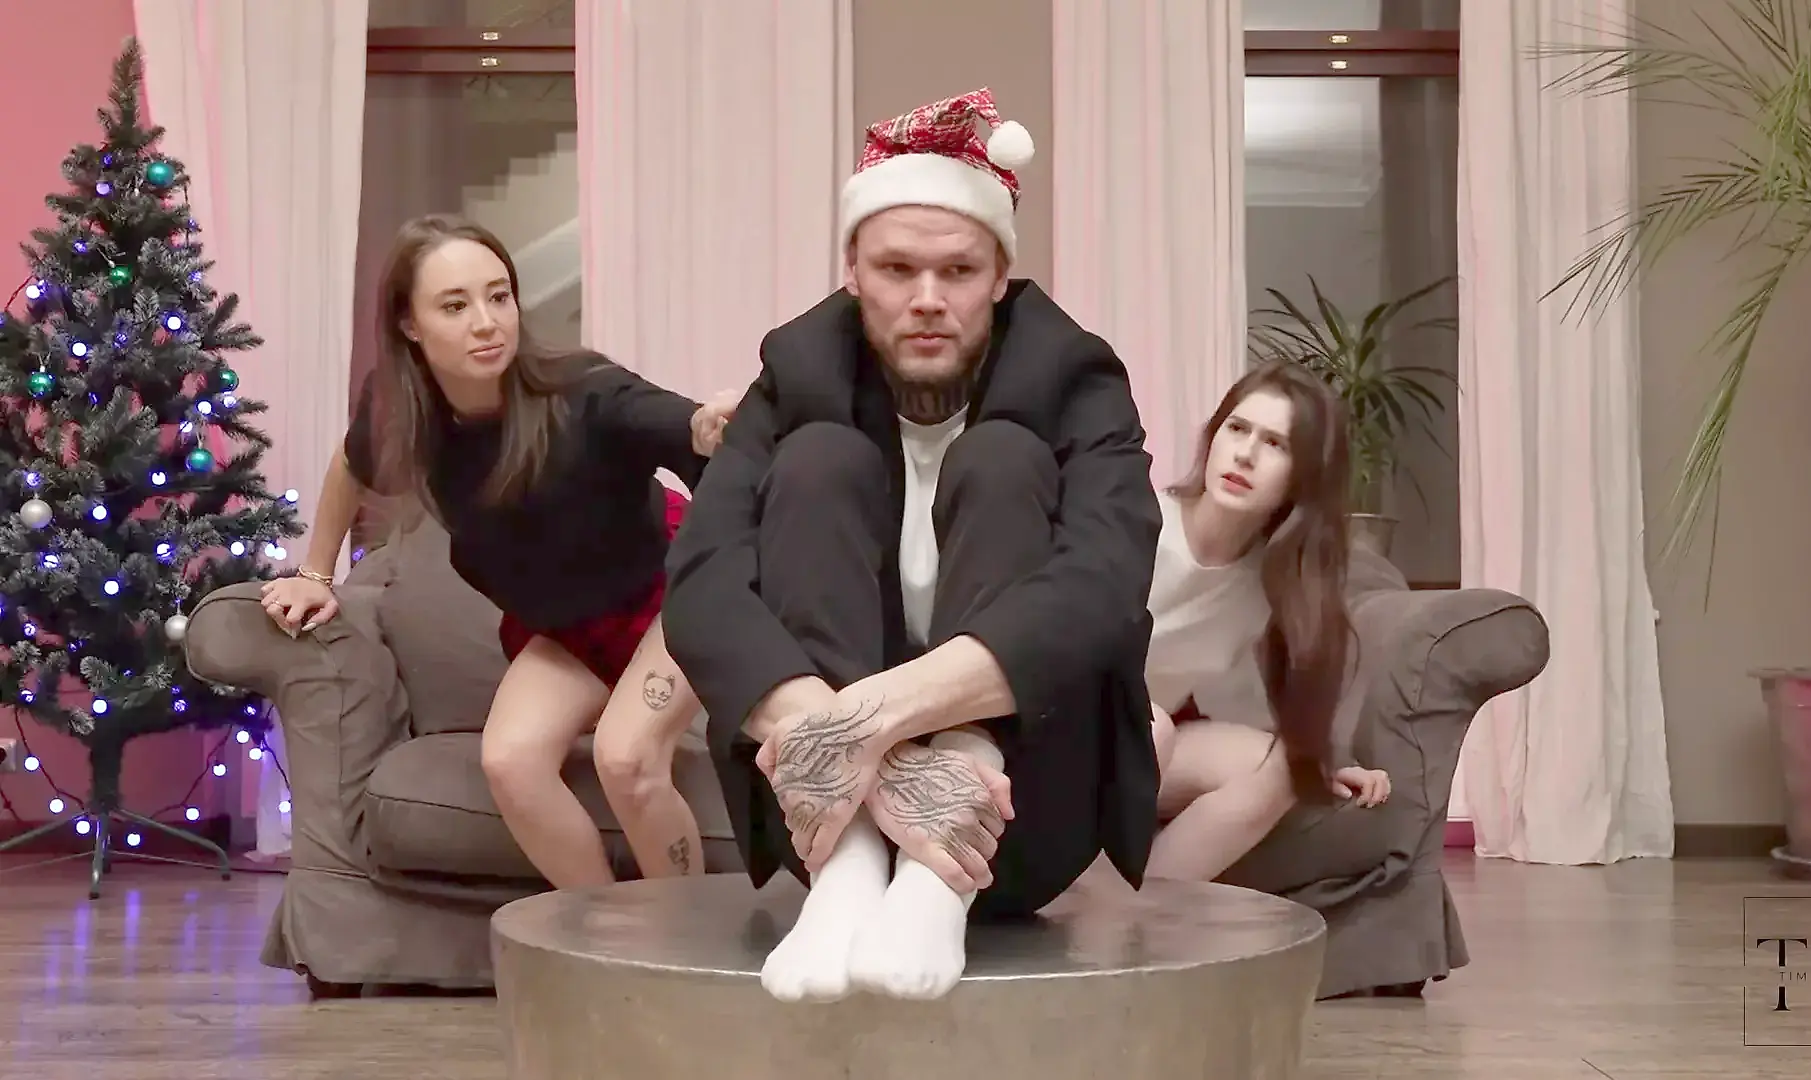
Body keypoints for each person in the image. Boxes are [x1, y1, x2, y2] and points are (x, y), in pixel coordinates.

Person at [661, 87, 1163, 1004]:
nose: (928, 300)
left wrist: (859, 730)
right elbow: (702, 586)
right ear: (853, 271)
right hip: (821, 819)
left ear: (1000, 275)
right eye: (897, 269)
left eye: (959, 271)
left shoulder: (1074, 375)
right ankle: (850, 872)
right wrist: (860, 772)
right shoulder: (796, 376)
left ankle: (935, 882)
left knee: (1003, 458)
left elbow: (1105, 583)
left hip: (1019, 811)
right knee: (817, 461)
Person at [258, 213, 737, 891]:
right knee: (511, 763)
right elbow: (350, 462)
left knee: (627, 760)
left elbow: (681, 425)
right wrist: (316, 572)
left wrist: (708, 425)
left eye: (499, 296)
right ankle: (599, 928)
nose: (487, 323)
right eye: (455, 306)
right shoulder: (400, 411)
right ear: (409, 324)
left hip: (668, 598)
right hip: (568, 628)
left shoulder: (581, 389)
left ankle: (676, 934)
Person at [1140, 361, 1391, 884]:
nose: (1246, 454)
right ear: (1213, 437)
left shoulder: (1272, 579)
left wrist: (1323, 764)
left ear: (1306, 474)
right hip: (1063, 731)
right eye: (1237, 428)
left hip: (1146, 746)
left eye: (1276, 444)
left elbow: (1255, 704)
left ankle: (1146, 906)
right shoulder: (1136, 523)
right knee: (1151, 727)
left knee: (1283, 769)